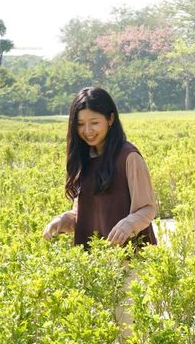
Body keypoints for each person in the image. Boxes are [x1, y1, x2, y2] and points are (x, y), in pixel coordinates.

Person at [43, 86, 157, 248]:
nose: (87, 131)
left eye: (94, 123)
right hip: (95, 262)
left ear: (110, 119)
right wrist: (63, 220)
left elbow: (147, 208)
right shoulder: (83, 158)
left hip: (130, 259)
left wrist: (129, 224)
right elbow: (82, 213)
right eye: (80, 124)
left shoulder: (129, 157)